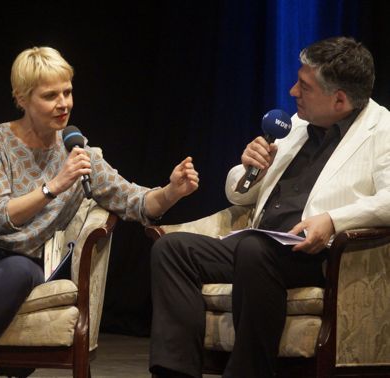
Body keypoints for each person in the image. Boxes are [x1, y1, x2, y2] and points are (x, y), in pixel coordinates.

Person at [0, 46, 199, 377]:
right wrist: (53, 186)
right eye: (50, 95)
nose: (63, 103)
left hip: (21, 257)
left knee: (19, 274)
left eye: (67, 92)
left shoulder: (77, 151)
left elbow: (134, 201)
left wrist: (172, 191)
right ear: (22, 99)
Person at [149, 36, 390, 378]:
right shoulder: (298, 124)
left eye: (304, 86)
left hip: (318, 252)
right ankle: (176, 372)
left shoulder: (382, 132)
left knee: (253, 249)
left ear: (338, 99)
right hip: (259, 242)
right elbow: (239, 194)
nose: (293, 92)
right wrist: (252, 169)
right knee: (171, 249)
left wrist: (333, 221)